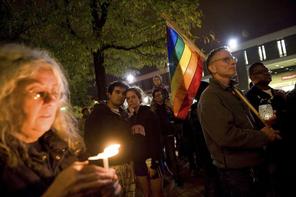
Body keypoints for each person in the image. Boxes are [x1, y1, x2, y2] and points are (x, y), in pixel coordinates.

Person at [0, 44, 121, 196]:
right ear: (5, 97)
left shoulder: (61, 147)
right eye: (37, 92)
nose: (51, 101)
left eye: (56, 93)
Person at [197, 46, 281, 197]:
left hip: (254, 164)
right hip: (237, 172)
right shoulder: (210, 97)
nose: (232, 62)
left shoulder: (235, 91)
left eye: (232, 59)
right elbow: (226, 136)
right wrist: (263, 136)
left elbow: (246, 123)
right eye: (225, 60)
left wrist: (266, 127)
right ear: (212, 67)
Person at [84, 81, 135, 197]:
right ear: (109, 94)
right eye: (117, 92)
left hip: (126, 165)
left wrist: (130, 159)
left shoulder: (124, 115)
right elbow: (90, 140)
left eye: (123, 93)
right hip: (108, 167)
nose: (121, 96)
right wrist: (101, 165)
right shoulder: (97, 114)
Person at [246, 62, 288, 196]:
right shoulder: (249, 98)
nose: (266, 73)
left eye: (267, 70)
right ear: (252, 77)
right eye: (261, 71)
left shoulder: (278, 94)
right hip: (268, 150)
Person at [126, 87, 163, 197]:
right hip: (138, 162)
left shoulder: (149, 114)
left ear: (139, 98)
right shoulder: (130, 119)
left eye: (133, 97)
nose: (131, 100)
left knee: (157, 194)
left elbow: (156, 140)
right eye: (128, 99)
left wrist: (154, 163)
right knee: (146, 194)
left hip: (150, 161)